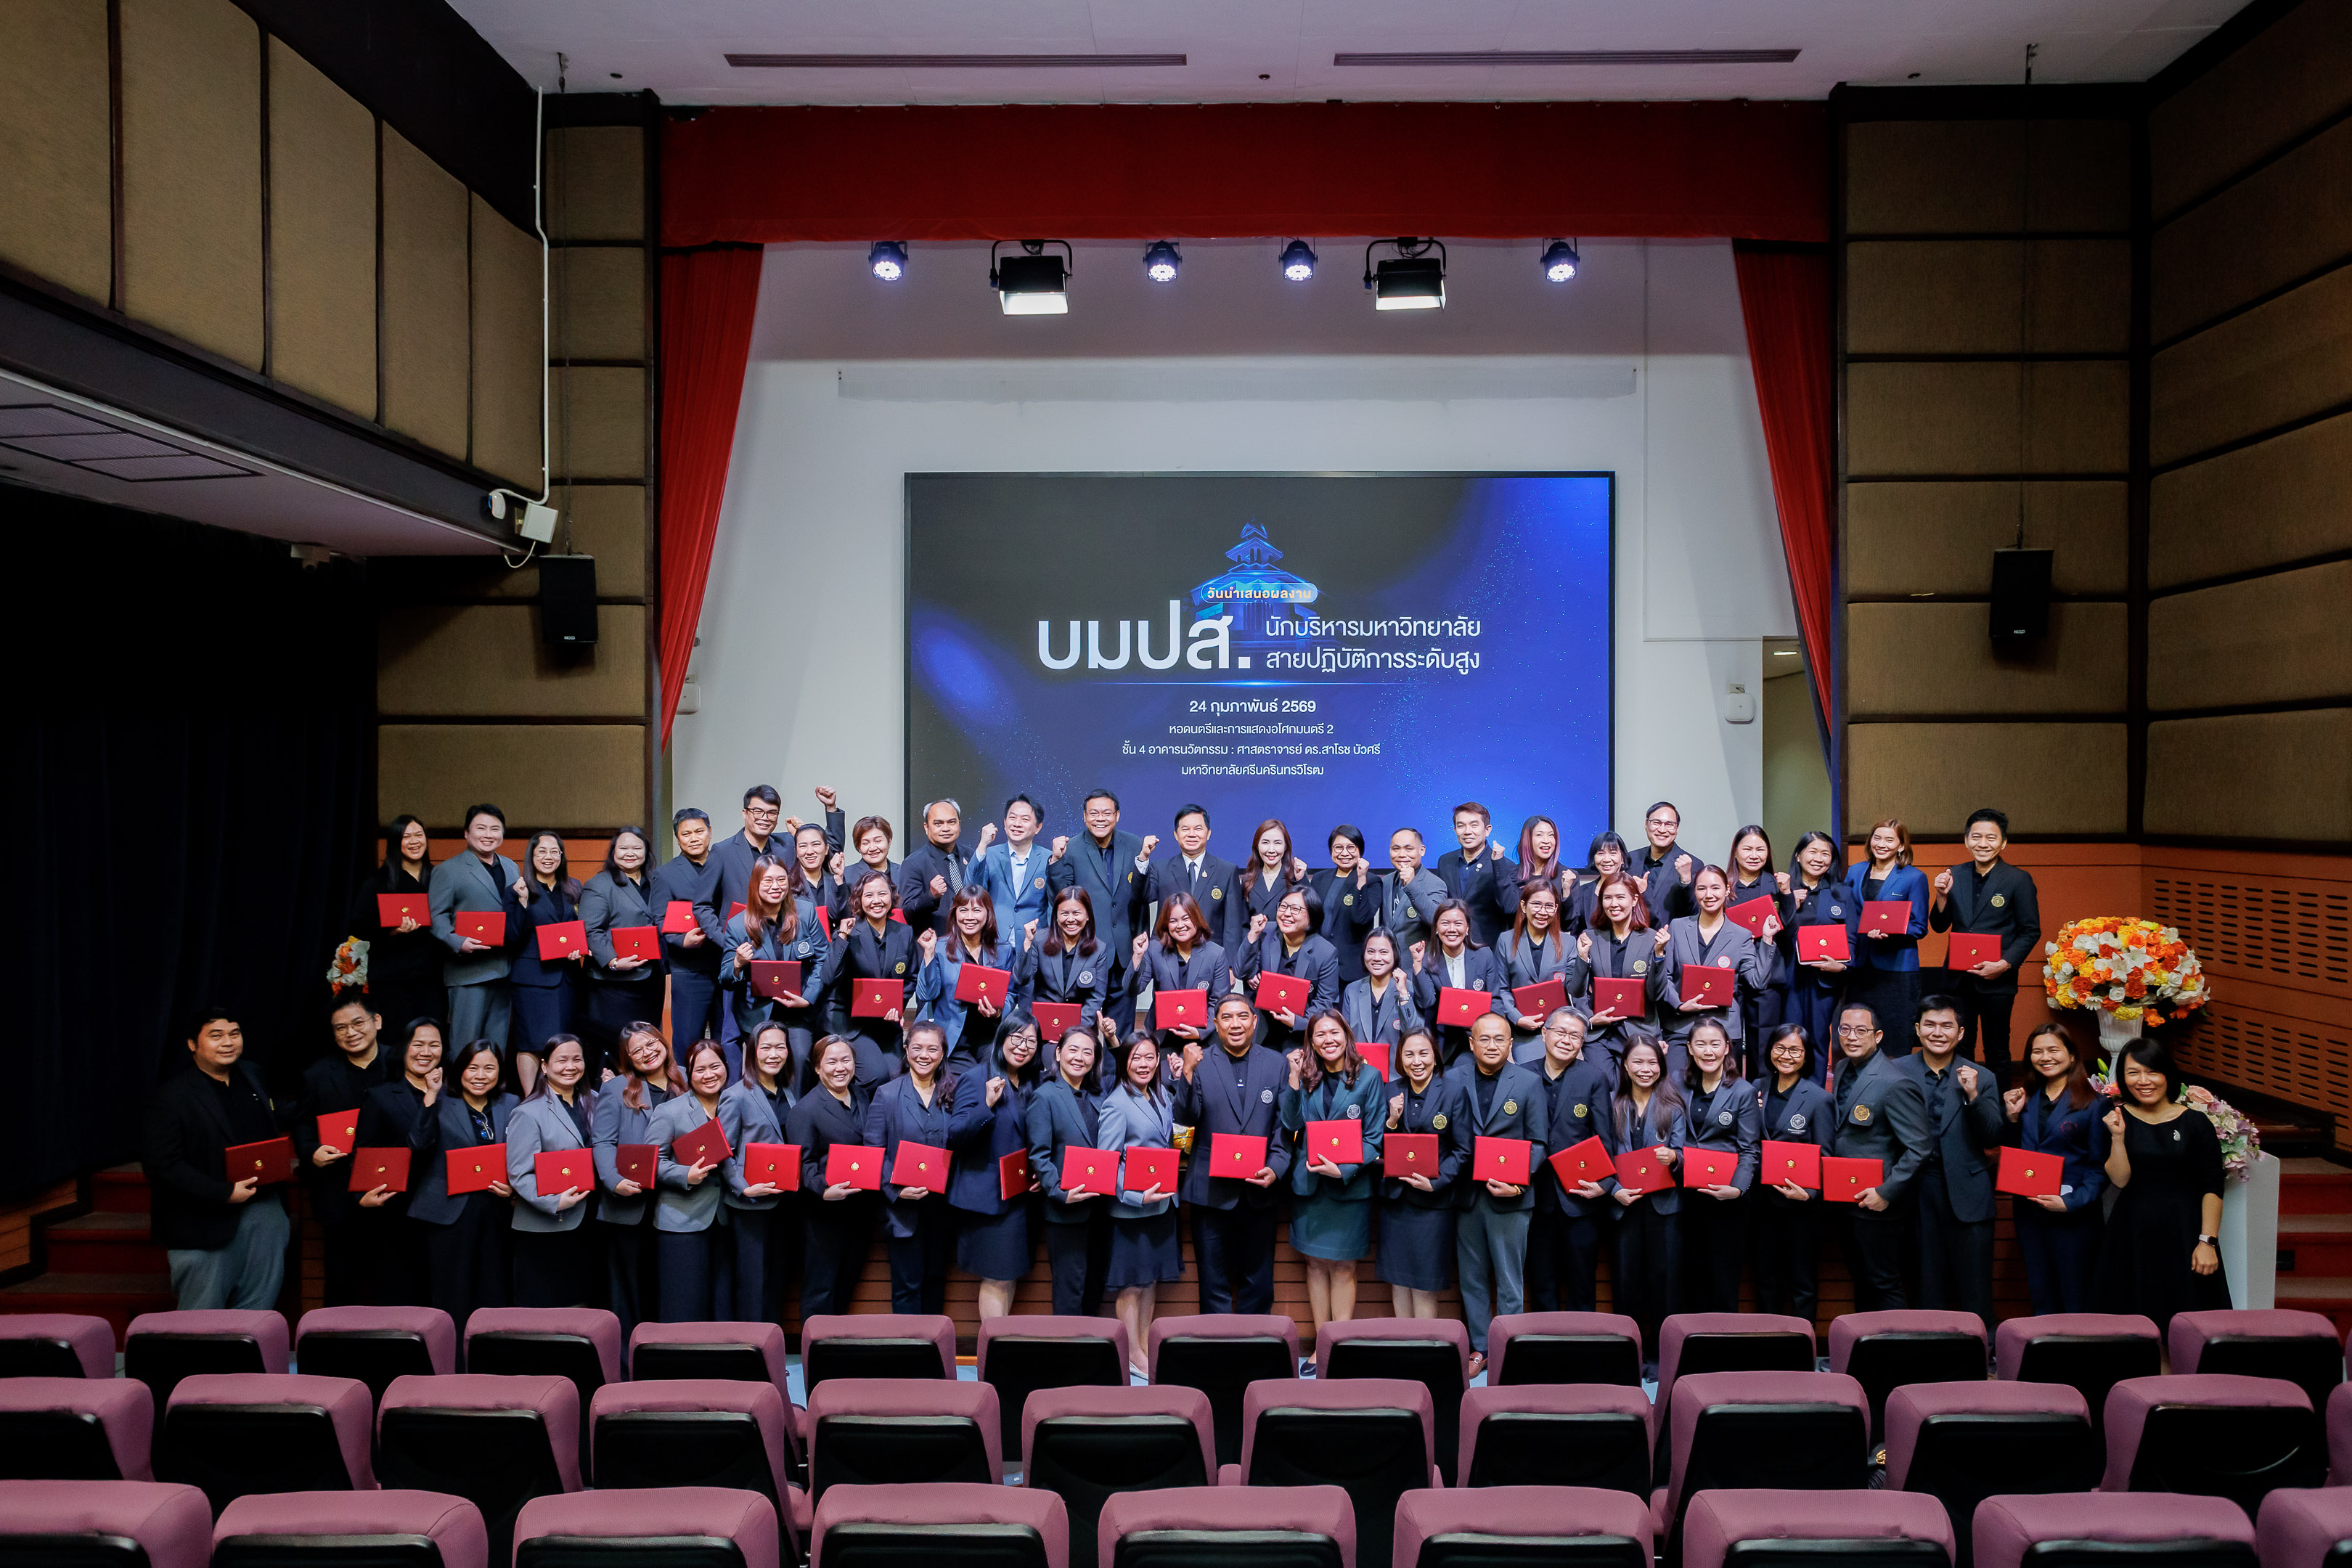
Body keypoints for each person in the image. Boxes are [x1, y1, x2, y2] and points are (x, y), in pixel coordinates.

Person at [143, 1007, 292, 1311]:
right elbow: (162, 1166)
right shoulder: (172, 1097)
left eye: (234, 1034)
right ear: (192, 1044)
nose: (228, 1042)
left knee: (257, 1312)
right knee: (202, 1324)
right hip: (201, 1223)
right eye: (216, 1035)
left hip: (263, 1213)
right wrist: (224, 1193)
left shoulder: (252, 1075)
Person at [2095, 1037, 2229, 1331]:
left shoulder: (2196, 1123)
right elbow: (2119, 1179)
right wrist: (2118, 1138)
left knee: (2190, 1325)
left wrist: (2208, 1241)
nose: (2143, 1081)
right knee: (2134, 1327)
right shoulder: (2115, 1119)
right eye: (2133, 1072)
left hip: (2185, 1232)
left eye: (2152, 1071)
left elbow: (2212, 1186)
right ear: (2123, 1077)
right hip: (2132, 1233)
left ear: (2167, 1073)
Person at [1169, 994, 1292, 1312]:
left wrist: (1277, 1167)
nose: (1235, 1024)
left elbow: (1283, 1125)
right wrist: (1187, 1074)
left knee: (1259, 1283)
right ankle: (1216, 1354)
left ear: (1254, 1022)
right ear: (1215, 1023)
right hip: (1209, 1192)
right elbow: (1185, 1120)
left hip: (1259, 1190)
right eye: (1226, 1017)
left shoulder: (1276, 1062)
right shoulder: (1200, 1061)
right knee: (1213, 1284)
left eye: (1242, 1017)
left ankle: (1256, 1353)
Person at [1280, 1010, 1384, 1367]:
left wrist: (1344, 1169)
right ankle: (1320, 1348)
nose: (1328, 1040)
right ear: (1310, 1041)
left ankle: (1339, 1350)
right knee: (1314, 1265)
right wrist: (1293, 1080)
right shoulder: (1303, 1076)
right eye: (1319, 1034)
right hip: (1309, 1185)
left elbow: (1375, 1138)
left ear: (1347, 1035)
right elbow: (1291, 1124)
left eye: (1334, 1032)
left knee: (1342, 1268)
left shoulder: (1369, 1077)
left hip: (1348, 1188)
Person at [1896, 996, 2005, 1329]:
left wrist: (1973, 1096)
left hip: (1969, 1191)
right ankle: (1930, 1355)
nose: (1937, 1033)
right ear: (1917, 1030)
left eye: (1947, 1026)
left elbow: (1992, 1136)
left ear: (1960, 1034)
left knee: (1974, 1286)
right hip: (1916, 1191)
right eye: (1929, 1025)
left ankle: (1981, 1357)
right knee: (1925, 1282)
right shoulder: (1895, 1071)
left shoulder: (1982, 1076)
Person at [1448, 1010, 1545, 1376]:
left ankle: (1508, 1352)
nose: (1492, 1046)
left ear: (1511, 1043)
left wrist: (1518, 1183)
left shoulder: (1527, 1082)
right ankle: (1479, 1349)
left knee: (1509, 1280)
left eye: (1499, 1039)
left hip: (1511, 1198)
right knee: (1471, 1278)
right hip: (1467, 1196)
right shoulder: (1455, 1077)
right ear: (1471, 1043)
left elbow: (1538, 1143)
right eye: (1484, 1039)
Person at [404, 1038, 517, 1335]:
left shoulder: (512, 1104)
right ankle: (449, 1366)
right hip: (449, 1212)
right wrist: (430, 1094)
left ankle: (488, 1363)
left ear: (499, 1072)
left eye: (489, 1068)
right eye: (473, 1068)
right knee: (451, 1294)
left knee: (493, 1292)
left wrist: (515, 1190)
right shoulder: (441, 1101)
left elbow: (523, 1155)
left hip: (496, 1210)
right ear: (460, 1071)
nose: (480, 1075)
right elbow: (418, 1144)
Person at [1828, 1003, 1932, 1311]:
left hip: (1878, 1205)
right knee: (1861, 1278)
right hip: (1846, 1199)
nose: (1852, 1037)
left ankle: (1893, 1357)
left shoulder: (1895, 1082)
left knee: (1883, 1281)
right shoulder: (1845, 1068)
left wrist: (1886, 1193)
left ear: (1878, 1036)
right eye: (1845, 1029)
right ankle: (1863, 1354)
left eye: (1861, 1031)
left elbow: (1920, 1148)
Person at [293, 995, 395, 1306]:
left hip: (393, 1189)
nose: (350, 1033)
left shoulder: (401, 1063)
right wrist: (311, 1151)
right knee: (341, 1278)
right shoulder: (317, 1075)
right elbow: (302, 1124)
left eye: (357, 1023)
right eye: (340, 1029)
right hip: (338, 1191)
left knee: (393, 1279)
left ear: (376, 1022)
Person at [1928, 807, 2042, 1084]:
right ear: (1966, 840)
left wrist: (2004, 964)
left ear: (2003, 843)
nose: (1983, 843)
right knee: (1960, 1046)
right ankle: (1959, 1107)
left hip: (1998, 981)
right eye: (1976, 837)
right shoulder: (1954, 873)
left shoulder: (2018, 879)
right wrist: (1942, 896)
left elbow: (2030, 931)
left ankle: (1999, 1111)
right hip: (1957, 980)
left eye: (1991, 838)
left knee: (1997, 1048)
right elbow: (1940, 925)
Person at [2002, 1021, 2108, 1314]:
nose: (2045, 1057)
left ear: (2072, 1055)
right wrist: (2011, 1119)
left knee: (2077, 1297)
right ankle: (2047, 1358)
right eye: (2037, 1051)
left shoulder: (2094, 1104)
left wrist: (2070, 1203)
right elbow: (2013, 1155)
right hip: (2030, 1214)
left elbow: (2100, 1169)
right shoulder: (2024, 1100)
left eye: (2053, 1050)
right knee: (2040, 1295)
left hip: (2073, 1216)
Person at [865, 1019, 967, 1313]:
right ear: (906, 1049)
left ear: (943, 1053)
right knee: (906, 1286)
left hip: (943, 1207)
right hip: (902, 1212)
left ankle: (934, 1354)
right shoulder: (886, 1095)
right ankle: (907, 1356)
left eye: (933, 1049)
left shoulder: (956, 1093)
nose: (925, 1055)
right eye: (918, 1048)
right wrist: (896, 1189)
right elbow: (874, 1152)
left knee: (936, 1281)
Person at [949, 1013, 1042, 1320]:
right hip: (987, 1198)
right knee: (997, 1277)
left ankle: (999, 1349)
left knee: (1010, 1274)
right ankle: (991, 1358)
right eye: (1016, 1038)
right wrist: (986, 1105)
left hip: (1021, 1195)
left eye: (1030, 1041)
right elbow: (955, 1136)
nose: (1023, 1047)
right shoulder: (976, 1078)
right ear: (1002, 1038)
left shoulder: (1033, 1080)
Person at [1101, 1032, 1183, 1374]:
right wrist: (1135, 1195)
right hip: (1131, 1208)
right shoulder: (1116, 1103)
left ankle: (1145, 1343)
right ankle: (1132, 1352)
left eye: (1150, 1057)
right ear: (1124, 1062)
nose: (1144, 1064)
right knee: (1131, 1282)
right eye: (1136, 1058)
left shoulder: (1162, 1093)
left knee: (1150, 1279)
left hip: (1162, 1204)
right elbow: (1107, 1161)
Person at [591, 1024, 679, 1335]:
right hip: (629, 1204)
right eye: (637, 1050)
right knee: (629, 1291)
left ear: (662, 1041)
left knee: (669, 1287)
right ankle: (630, 1365)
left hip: (675, 1202)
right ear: (628, 1059)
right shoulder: (616, 1088)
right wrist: (613, 1180)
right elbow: (602, 1142)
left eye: (651, 1043)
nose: (648, 1053)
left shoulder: (684, 1078)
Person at [1601, 1033, 1683, 1368]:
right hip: (1625, 1205)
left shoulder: (1673, 1105)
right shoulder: (1610, 1102)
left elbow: (1682, 1151)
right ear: (1625, 1065)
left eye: (1652, 1062)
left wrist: (1674, 1157)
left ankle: (1663, 1358)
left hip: (1665, 1207)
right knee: (1626, 1282)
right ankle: (1629, 1358)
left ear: (1661, 1066)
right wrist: (1611, 1188)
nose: (1645, 1069)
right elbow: (1601, 1154)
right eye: (1638, 1061)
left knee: (1665, 1284)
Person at [1525, 1009, 1615, 1313]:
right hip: (1534, 1197)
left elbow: (1605, 1137)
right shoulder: (1523, 1074)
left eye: (1575, 1036)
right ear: (1544, 1033)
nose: (1566, 1040)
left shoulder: (1594, 1078)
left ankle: (1583, 1351)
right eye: (1560, 1032)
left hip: (1581, 1197)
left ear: (1582, 1043)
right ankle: (1543, 1352)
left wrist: (1605, 1184)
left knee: (1582, 1282)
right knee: (1541, 1282)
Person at [354, 1019, 447, 1304]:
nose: (426, 1052)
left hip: (447, 1211)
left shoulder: (455, 1094)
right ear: (404, 1048)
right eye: (418, 1044)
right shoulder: (380, 1097)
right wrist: (362, 1195)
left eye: (434, 1045)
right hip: (398, 1212)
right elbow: (365, 1152)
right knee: (400, 1297)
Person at [1045, 789, 1152, 1032]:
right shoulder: (1071, 848)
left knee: (1122, 1032)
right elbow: (1059, 900)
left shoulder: (1136, 845)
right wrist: (1055, 861)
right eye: (1093, 813)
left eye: (1107, 813)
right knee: (1083, 1030)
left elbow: (1144, 895)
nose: (1100, 818)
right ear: (1084, 817)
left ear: (1117, 816)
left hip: (1124, 953)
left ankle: (1119, 1073)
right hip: (1086, 951)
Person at [788, 1035, 878, 1318]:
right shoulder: (806, 1109)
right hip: (824, 1212)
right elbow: (802, 1162)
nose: (840, 1067)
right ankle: (814, 1357)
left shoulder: (863, 1096)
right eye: (831, 1061)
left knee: (846, 1283)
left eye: (846, 1060)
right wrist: (824, 1190)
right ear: (817, 1068)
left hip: (860, 1209)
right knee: (821, 1288)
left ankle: (837, 1352)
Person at [720, 854, 830, 1085]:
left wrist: (808, 998)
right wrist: (738, 963)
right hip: (758, 1016)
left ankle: (796, 1118)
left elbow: (824, 961)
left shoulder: (806, 912)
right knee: (764, 1067)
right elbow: (725, 977)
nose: (775, 887)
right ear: (756, 884)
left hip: (797, 1012)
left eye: (781, 880)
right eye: (768, 881)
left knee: (800, 1060)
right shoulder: (738, 925)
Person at [1375, 1029, 1462, 1318]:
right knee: (1399, 1281)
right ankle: (1405, 1346)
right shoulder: (1390, 1090)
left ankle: (1427, 1352)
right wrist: (1392, 1120)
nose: (1417, 1061)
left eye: (1423, 1053)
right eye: (1409, 1054)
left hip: (1432, 1204)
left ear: (1435, 1058)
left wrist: (1436, 1182)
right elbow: (1376, 1145)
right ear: (1400, 1059)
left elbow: (1464, 1150)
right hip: (1396, 1202)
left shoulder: (1452, 1091)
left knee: (1424, 1283)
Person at [648, 1040, 737, 1322]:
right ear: (689, 1073)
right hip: (681, 1220)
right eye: (700, 1069)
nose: (709, 1075)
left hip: (726, 1218)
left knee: (722, 1303)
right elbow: (652, 1163)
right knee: (683, 1304)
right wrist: (684, 1174)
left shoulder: (734, 1104)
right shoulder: (670, 1111)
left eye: (716, 1066)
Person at [1752, 1024, 1834, 1326]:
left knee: (1802, 1282)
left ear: (1806, 1056)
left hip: (1800, 1205)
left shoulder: (1818, 1098)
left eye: (1795, 1050)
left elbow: (1826, 1154)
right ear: (1770, 1050)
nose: (1786, 1056)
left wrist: (1810, 1193)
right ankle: (1769, 1346)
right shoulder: (1755, 1088)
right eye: (1780, 1048)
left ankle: (1803, 1351)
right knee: (1766, 1278)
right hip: (1760, 1203)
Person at [1676, 1018, 1760, 1314]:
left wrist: (1737, 1189)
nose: (1708, 1051)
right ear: (1689, 1048)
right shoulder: (1677, 1084)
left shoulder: (1743, 1092)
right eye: (1700, 1044)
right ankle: (1690, 1351)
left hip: (1726, 1200)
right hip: (1686, 1196)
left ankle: (1723, 1354)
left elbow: (1750, 1150)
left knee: (1723, 1279)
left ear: (1727, 1048)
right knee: (1691, 1276)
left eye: (1715, 1044)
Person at [505, 1034, 595, 1307]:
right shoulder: (528, 1112)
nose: (570, 1066)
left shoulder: (595, 1100)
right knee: (548, 1308)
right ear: (544, 1067)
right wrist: (554, 1202)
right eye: (562, 1060)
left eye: (577, 1059)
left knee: (582, 1304)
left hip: (588, 1220)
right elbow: (519, 1172)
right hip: (546, 1226)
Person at [1027, 1026, 1112, 1316]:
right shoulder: (1046, 1096)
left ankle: (1090, 1353)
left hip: (1101, 1206)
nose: (1080, 1057)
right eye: (1073, 1050)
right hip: (1067, 1209)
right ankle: (1067, 1355)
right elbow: (1039, 1154)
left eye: (1088, 1052)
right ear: (1059, 1053)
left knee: (1095, 1284)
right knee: (1069, 1287)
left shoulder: (1099, 1095)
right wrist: (1060, 1192)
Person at [428, 804, 526, 1052]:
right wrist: (456, 941)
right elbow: (437, 916)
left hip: (503, 970)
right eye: (481, 828)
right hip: (468, 973)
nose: (488, 834)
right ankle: (458, 1092)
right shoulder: (448, 870)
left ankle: (493, 1091)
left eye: (495, 829)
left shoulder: (511, 867)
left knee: (497, 1045)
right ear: (466, 833)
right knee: (465, 1044)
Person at [1659, 866, 1780, 1060]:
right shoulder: (1678, 927)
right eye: (1702, 888)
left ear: (1727, 889)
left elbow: (1757, 982)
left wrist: (1766, 940)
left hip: (1724, 1028)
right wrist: (1680, 1005)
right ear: (1695, 891)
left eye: (1715, 888)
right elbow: (1665, 976)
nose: (1709, 895)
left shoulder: (1741, 935)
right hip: (1682, 1027)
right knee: (1676, 1086)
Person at [720, 1022, 796, 1326]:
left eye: (780, 1047)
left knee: (777, 1281)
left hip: (785, 1203)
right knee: (753, 1285)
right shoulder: (735, 1095)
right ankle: (752, 1361)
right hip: (751, 1205)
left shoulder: (790, 1091)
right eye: (766, 1047)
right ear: (752, 1052)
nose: (774, 1054)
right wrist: (742, 1187)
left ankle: (773, 1355)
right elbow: (723, 1151)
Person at [348, 815, 442, 1037]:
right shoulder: (378, 881)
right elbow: (358, 929)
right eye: (406, 836)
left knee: (431, 1037)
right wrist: (391, 931)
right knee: (395, 1039)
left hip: (432, 977)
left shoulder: (439, 876)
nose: (414, 841)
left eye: (419, 835)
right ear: (395, 842)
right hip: (391, 978)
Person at [581, 828, 665, 1073]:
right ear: (613, 852)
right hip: (614, 984)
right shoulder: (599, 884)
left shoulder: (656, 882)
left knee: (648, 1042)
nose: (631, 853)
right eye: (624, 848)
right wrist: (613, 960)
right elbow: (591, 930)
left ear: (646, 852)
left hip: (650, 979)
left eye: (637, 848)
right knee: (620, 1046)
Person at [915, 887, 1024, 1072]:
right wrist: (929, 954)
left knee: (997, 1074)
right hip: (952, 1036)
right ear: (955, 913)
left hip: (989, 1036)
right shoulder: (940, 947)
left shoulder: (1003, 949)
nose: (969, 917)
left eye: (977, 910)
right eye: (963, 910)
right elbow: (927, 994)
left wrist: (998, 1012)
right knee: (968, 1081)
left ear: (988, 913)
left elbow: (1011, 993)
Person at [1844, 818, 1932, 1045]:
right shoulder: (1855, 871)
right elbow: (1846, 913)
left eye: (1889, 839)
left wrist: (1890, 932)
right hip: (1861, 966)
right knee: (1859, 1031)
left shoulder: (1914, 877)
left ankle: (1896, 1080)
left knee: (1896, 1030)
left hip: (1897, 968)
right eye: (1877, 837)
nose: (1881, 844)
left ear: (1901, 845)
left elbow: (1920, 926)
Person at [510, 830, 585, 1092]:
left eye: (554, 852)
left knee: (562, 1041)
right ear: (531, 856)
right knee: (530, 1041)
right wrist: (521, 902)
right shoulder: (520, 889)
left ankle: (559, 1097)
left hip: (566, 978)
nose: (548, 857)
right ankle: (531, 1099)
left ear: (562, 856)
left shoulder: (573, 887)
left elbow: (578, 929)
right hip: (531, 979)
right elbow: (512, 937)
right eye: (541, 851)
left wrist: (580, 949)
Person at [830, 866, 918, 1084]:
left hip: (887, 1024)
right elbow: (829, 977)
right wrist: (842, 937)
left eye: (882, 893)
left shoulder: (904, 933)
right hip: (853, 1027)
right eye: (868, 895)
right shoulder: (849, 931)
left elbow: (911, 977)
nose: (876, 901)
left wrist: (898, 1004)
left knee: (898, 1077)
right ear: (859, 900)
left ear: (892, 896)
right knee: (876, 1075)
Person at [1781, 833, 1858, 1078]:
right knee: (1788, 1038)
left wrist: (1844, 966)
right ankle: (1787, 1093)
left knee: (1818, 1038)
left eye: (1825, 854)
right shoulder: (1782, 889)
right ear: (1799, 855)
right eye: (1812, 852)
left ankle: (1815, 1097)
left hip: (1824, 980)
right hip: (1789, 977)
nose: (1818, 859)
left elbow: (1852, 937)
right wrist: (1787, 902)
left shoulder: (1842, 893)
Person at [1576, 873, 1667, 1071]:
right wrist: (1582, 958)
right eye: (1608, 898)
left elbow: (1656, 994)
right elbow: (1576, 990)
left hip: (1639, 1031)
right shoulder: (1590, 937)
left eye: (1620, 897)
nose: (1613, 904)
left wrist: (1659, 954)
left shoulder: (1652, 938)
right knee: (1604, 1084)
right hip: (1600, 1033)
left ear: (1634, 900)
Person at [1237, 886, 1342, 1055]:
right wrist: (1253, 934)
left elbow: (1325, 1002)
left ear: (1312, 916)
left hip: (1298, 1033)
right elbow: (1240, 971)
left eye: (1296, 909)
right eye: (1283, 907)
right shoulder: (1266, 933)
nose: (1286, 914)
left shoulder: (1325, 952)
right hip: (1262, 1027)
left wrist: (1297, 1022)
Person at [655, 808, 724, 1053]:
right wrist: (682, 939)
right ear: (678, 838)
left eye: (699, 831)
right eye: (686, 834)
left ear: (710, 832)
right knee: (688, 1040)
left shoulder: (724, 863)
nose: (694, 838)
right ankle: (684, 1089)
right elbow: (659, 919)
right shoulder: (665, 875)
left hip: (726, 964)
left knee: (726, 1039)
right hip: (689, 968)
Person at [1014, 887, 1113, 1058]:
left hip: (1080, 1029)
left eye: (1077, 913)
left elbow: (1096, 998)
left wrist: (1072, 1031)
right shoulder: (1039, 940)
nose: (1071, 919)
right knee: (1049, 1058)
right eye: (1064, 913)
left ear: (1088, 915)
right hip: (1042, 1027)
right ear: (1056, 916)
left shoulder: (1099, 949)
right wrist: (1027, 944)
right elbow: (1022, 978)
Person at [1724, 827, 1790, 1076]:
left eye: (1760, 849)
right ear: (1736, 852)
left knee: (1763, 1042)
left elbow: (1791, 930)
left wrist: (1786, 895)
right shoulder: (1724, 886)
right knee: (1726, 1041)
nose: (1754, 855)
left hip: (1768, 975)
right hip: (1729, 973)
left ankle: (1759, 1098)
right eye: (1748, 849)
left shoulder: (1777, 885)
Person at [1410, 899, 1508, 1066]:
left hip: (1479, 1037)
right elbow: (1427, 1001)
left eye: (1458, 924)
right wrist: (1417, 965)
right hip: (1443, 1040)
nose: (1452, 929)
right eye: (1445, 924)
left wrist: (1489, 1033)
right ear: (1436, 928)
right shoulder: (1427, 961)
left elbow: (1496, 999)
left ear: (1467, 928)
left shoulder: (1483, 955)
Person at [1133, 892, 1230, 1049]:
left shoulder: (1216, 954)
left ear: (1196, 919)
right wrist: (1137, 957)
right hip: (1162, 1036)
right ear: (1166, 924)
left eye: (1186, 919)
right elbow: (1134, 989)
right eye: (1173, 921)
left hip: (1203, 1037)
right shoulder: (1154, 949)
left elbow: (1219, 1002)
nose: (1180, 926)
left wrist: (1200, 1032)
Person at [1495, 883, 1585, 1051]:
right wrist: (1517, 1018)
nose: (1543, 912)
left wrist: (1583, 958)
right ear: (1524, 905)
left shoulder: (1568, 943)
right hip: (1523, 1029)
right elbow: (1501, 988)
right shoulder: (1506, 941)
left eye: (1549, 906)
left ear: (1556, 908)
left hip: (1559, 1030)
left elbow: (1575, 990)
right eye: (1536, 904)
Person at [1146, 804, 1244, 952]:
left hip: (1210, 956)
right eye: (1185, 829)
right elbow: (1140, 897)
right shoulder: (1160, 869)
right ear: (1176, 834)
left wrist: (1230, 966)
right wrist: (1143, 859)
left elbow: (1233, 926)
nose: (1192, 834)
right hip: (1167, 954)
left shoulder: (1226, 871)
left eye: (1198, 829)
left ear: (1208, 833)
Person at [974, 795, 1055, 952]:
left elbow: (1054, 904)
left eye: (1025, 819)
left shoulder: (1049, 859)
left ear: (1038, 827)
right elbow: (973, 890)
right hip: (994, 943)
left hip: (1035, 945)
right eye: (1012, 818)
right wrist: (982, 846)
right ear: (1005, 823)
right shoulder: (989, 855)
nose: (1017, 824)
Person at [1434, 802, 1521, 946]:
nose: (1467, 831)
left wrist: (1497, 864)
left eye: (1474, 825)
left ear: (1487, 830)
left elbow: (1511, 908)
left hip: (1488, 949)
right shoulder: (1445, 861)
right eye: (1461, 826)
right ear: (1455, 830)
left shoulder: (1505, 865)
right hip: (1450, 946)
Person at [900, 798, 981, 940]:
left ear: (959, 825)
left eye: (952, 822)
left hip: (973, 942)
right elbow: (908, 912)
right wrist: (931, 896)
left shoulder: (971, 855)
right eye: (938, 823)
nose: (946, 828)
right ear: (926, 827)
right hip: (936, 944)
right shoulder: (913, 863)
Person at [1307, 826, 1379, 984]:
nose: (1344, 853)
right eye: (1338, 848)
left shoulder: (1372, 881)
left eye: (1351, 847)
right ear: (1331, 851)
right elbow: (1310, 918)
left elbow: (1361, 918)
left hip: (1351, 969)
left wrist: (1361, 880)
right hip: (1319, 963)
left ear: (1360, 850)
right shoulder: (1319, 879)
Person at [1342, 929, 1424, 1050]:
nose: (1376, 958)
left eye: (1384, 952)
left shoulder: (1409, 989)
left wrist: (1403, 994)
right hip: (1360, 1066)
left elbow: (1415, 1038)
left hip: (1395, 1068)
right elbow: (1346, 1038)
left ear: (1395, 954)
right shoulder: (1352, 990)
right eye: (1371, 952)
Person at [1376, 827, 1447, 953]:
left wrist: (1412, 884)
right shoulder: (1385, 882)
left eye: (1409, 849)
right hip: (1388, 962)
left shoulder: (1435, 883)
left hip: (1418, 964)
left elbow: (1436, 920)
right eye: (1396, 849)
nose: (1402, 854)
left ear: (1422, 850)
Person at [1631, 801, 1699, 928]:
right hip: (1634, 941)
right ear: (1646, 824)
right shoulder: (1631, 859)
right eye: (1656, 823)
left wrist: (1686, 881)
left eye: (1670, 825)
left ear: (1677, 829)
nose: (1662, 830)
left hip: (1672, 943)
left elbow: (1695, 914)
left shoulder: (1693, 865)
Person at [1566, 831, 1632, 933]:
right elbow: (1573, 929)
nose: (1606, 859)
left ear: (1622, 859)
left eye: (1613, 853)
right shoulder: (1584, 891)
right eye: (1601, 853)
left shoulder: (1632, 889)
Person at [1514, 815, 1570, 904]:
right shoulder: (1512, 875)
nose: (1546, 840)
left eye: (1551, 835)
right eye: (1539, 835)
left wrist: (1567, 893)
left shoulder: (1568, 877)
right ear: (1527, 839)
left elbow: (1572, 917)